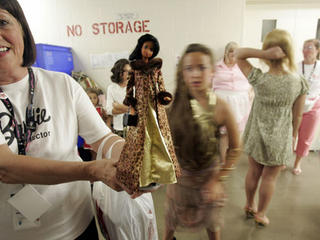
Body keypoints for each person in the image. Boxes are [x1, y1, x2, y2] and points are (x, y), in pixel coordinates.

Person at [0, 1, 127, 239]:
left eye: (2, 22)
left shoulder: (62, 84)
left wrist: (127, 157)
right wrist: (91, 171)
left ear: (23, 29)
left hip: (78, 224)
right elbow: (6, 168)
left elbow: (103, 138)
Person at [164, 43, 241, 240]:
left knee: (213, 224)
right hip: (181, 178)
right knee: (170, 223)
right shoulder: (173, 105)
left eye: (202, 68)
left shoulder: (221, 107)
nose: (196, 74)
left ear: (212, 70)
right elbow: (164, 142)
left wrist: (218, 180)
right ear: (183, 73)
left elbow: (235, 148)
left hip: (209, 177)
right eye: (189, 69)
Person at [236, 29, 308, 227]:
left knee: (253, 171)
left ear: (269, 51)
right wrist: (293, 137)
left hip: (256, 133)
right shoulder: (299, 82)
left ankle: (249, 205)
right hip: (280, 136)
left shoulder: (259, 78)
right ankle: (261, 213)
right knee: (269, 179)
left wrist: (264, 54)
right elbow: (298, 115)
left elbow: (237, 54)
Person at [116, 33, 180, 193]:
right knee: (141, 141)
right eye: (146, 47)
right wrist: (131, 106)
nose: (148, 52)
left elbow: (161, 85)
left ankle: (159, 174)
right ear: (140, 47)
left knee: (159, 139)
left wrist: (164, 96)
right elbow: (130, 90)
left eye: (152, 49)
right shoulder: (134, 69)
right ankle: (142, 176)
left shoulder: (156, 67)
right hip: (141, 110)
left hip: (156, 110)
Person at [212, 41, 252, 164]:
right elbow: (208, 84)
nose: (233, 55)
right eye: (231, 52)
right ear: (225, 52)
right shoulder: (216, 66)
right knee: (223, 134)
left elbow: (251, 81)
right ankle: (223, 160)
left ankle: (231, 160)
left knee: (235, 134)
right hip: (223, 102)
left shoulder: (243, 66)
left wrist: (251, 92)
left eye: (236, 53)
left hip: (240, 104)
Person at [292, 39, 320, 175]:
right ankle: (284, 159)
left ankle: (297, 163)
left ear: (317, 50)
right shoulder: (295, 67)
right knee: (290, 135)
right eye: (304, 48)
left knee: (306, 137)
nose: (306, 51)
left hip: (313, 106)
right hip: (295, 105)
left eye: (309, 48)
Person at [106, 59, 131, 138]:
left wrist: (119, 107)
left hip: (132, 128)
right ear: (119, 72)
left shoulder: (133, 87)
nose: (128, 74)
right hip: (118, 129)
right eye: (125, 71)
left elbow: (138, 110)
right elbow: (109, 110)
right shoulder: (111, 88)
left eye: (130, 71)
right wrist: (128, 109)